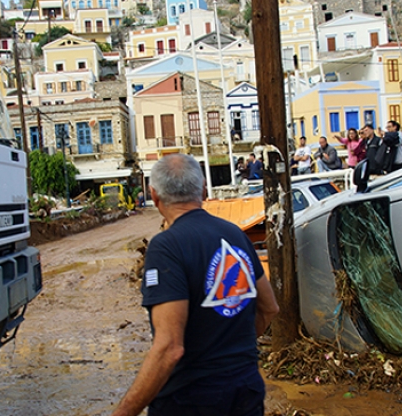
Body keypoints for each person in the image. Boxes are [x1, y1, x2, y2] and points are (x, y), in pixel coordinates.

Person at [111, 154, 279, 416]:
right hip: (246, 392)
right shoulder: (236, 234)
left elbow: (169, 348)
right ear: (202, 189)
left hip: (190, 400)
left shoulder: (165, 247)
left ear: (154, 196)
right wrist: (230, 351)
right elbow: (269, 308)